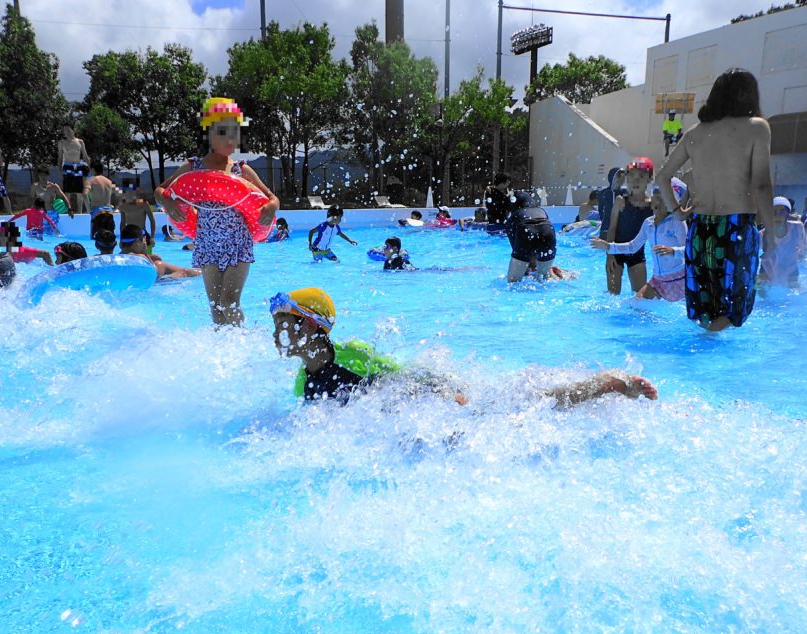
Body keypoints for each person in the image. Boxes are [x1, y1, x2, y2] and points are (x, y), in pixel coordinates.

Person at [269, 287, 656, 406]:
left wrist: (448, 393)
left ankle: (607, 381)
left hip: (439, 402)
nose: (276, 336)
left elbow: (406, 376)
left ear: (311, 325)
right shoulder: (303, 386)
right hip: (405, 422)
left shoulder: (350, 353)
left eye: (283, 324)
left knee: (528, 404)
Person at [657, 68, 775, 331]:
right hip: (735, 229)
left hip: (699, 230)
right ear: (746, 95)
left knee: (704, 310)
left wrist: (678, 213)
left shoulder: (695, 134)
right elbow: (762, 184)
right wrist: (773, 232)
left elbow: (663, 176)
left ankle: (700, 356)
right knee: (733, 311)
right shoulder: (756, 127)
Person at [155, 97, 279, 325]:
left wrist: (271, 207)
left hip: (237, 242)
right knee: (215, 309)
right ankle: (225, 352)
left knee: (228, 303)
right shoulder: (193, 167)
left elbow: (272, 198)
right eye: (223, 132)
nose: (231, 138)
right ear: (208, 134)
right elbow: (160, 190)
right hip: (208, 243)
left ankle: (244, 340)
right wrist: (170, 204)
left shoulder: (241, 170)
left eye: (235, 131)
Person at [592, 180, 688, 301]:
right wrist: (608, 247)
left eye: (663, 198)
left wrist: (673, 251)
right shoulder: (648, 223)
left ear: (671, 203)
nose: (657, 200)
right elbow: (633, 246)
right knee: (636, 304)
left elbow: (689, 249)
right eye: (656, 196)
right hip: (658, 280)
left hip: (678, 278)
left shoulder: (676, 222)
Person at [604, 157, 654, 294]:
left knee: (640, 297)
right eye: (632, 176)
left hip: (637, 254)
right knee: (612, 295)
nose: (636, 181)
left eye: (641, 176)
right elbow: (612, 228)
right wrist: (609, 255)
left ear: (649, 179)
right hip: (615, 252)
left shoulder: (653, 205)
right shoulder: (621, 202)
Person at [505, 190, 557, 282]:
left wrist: (525, 267)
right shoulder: (541, 211)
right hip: (548, 231)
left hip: (525, 231)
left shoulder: (513, 218)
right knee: (544, 279)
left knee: (513, 282)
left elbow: (517, 248)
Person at [119, 223, 201, 279]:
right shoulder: (141, 257)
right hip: (157, 282)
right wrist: (145, 253)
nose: (145, 243)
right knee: (183, 272)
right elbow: (153, 272)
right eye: (143, 241)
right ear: (137, 243)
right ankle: (203, 273)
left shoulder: (118, 257)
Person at [758, 196, 804, 288]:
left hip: (791, 268)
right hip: (767, 269)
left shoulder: (797, 228)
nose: (778, 215)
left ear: (788, 214)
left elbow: (803, 248)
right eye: (774, 212)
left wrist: (796, 256)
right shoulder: (762, 234)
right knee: (762, 292)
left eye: (782, 211)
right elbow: (756, 256)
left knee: (794, 294)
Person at [57, 125, 90, 214]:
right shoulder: (62, 143)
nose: (66, 133)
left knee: (79, 192)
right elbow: (60, 158)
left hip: (78, 167)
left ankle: (79, 212)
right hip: (67, 167)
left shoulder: (80, 142)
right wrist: (59, 171)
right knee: (67, 192)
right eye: (64, 131)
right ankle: (68, 211)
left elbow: (86, 156)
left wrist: (90, 168)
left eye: (68, 130)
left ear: (73, 130)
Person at [597, 167, 625, 238]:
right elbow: (601, 211)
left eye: (623, 178)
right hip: (606, 230)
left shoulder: (624, 193)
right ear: (613, 178)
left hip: (620, 230)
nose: (622, 180)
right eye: (620, 178)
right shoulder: (604, 194)